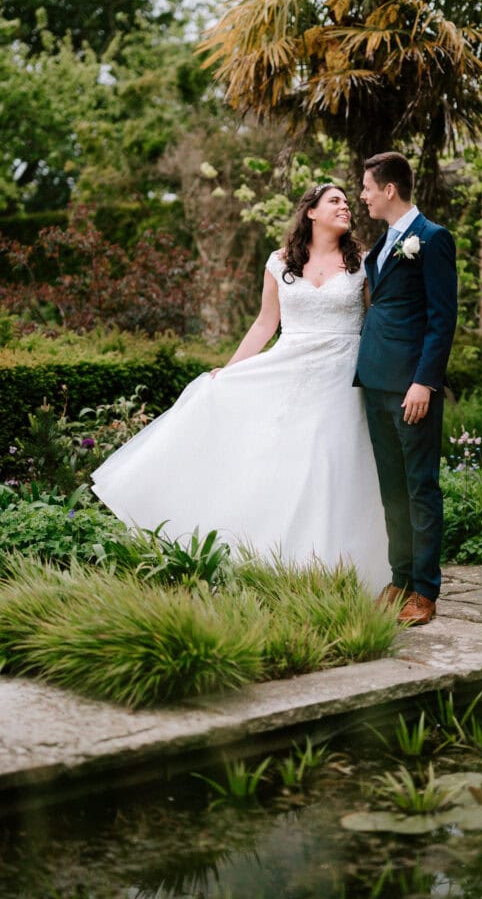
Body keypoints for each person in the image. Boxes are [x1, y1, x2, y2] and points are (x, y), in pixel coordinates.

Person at [92, 184, 390, 592]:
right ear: (311, 213)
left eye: (347, 202)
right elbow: (265, 324)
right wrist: (230, 372)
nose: (346, 207)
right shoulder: (280, 262)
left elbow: (380, 319)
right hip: (291, 372)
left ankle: (334, 571)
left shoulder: (363, 262)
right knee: (283, 468)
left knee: (331, 465)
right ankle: (278, 564)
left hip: (342, 378)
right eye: (335, 201)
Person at [355, 152, 458, 625]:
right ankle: (398, 580)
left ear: (389, 189)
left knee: (420, 487)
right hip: (374, 383)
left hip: (411, 387)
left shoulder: (433, 239)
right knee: (392, 489)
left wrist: (425, 382)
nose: (363, 196)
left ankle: (425, 591)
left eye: (367, 187)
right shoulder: (382, 244)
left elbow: (442, 318)